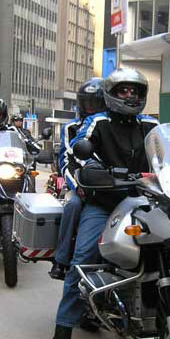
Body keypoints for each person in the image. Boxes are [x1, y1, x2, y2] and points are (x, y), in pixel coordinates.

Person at [50, 68, 159, 339]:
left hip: (145, 200)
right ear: (111, 94)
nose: (131, 95)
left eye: (135, 91)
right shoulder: (98, 122)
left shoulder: (152, 125)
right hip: (104, 203)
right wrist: (93, 169)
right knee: (82, 263)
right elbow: (77, 152)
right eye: (124, 90)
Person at [49, 77, 107, 280]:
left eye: (96, 103)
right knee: (73, 205)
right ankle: (61, 259)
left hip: (107, 185)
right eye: (87, 102)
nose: (91, 108)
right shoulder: (71, 128)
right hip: (79, 184)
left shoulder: (108, 125)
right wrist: (77, 186)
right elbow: (66, 161)